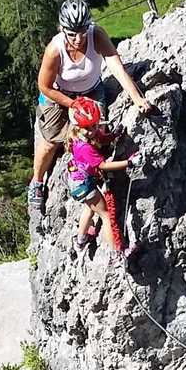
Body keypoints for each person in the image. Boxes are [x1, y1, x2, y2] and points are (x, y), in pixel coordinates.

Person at [28, 0, 156, 212]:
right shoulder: (55, 49)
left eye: (82, 31)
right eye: (71, 33)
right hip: (58, 94)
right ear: (62, 29)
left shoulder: (96, 35)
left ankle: (93, 173)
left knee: (97, 133)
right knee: (51, 141)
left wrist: (137, 99)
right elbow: (44, 86)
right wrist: (72, 104)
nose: (78, 39)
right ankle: (37, 182)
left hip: (91, 91)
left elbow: (116, 68)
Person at [67, 97, 135, 257]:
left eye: (95, 125)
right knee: (105, 214)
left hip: (77, 181)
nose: (93, 130)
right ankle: (117, 252)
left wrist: (113, 136)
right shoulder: (84, 147)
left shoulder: (83, 135)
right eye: (88, 128)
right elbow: (103, 165)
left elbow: (99, 137)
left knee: (89, 208)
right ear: (77, 127)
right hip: (83, 185)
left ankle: (80, 241)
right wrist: (129, 163)